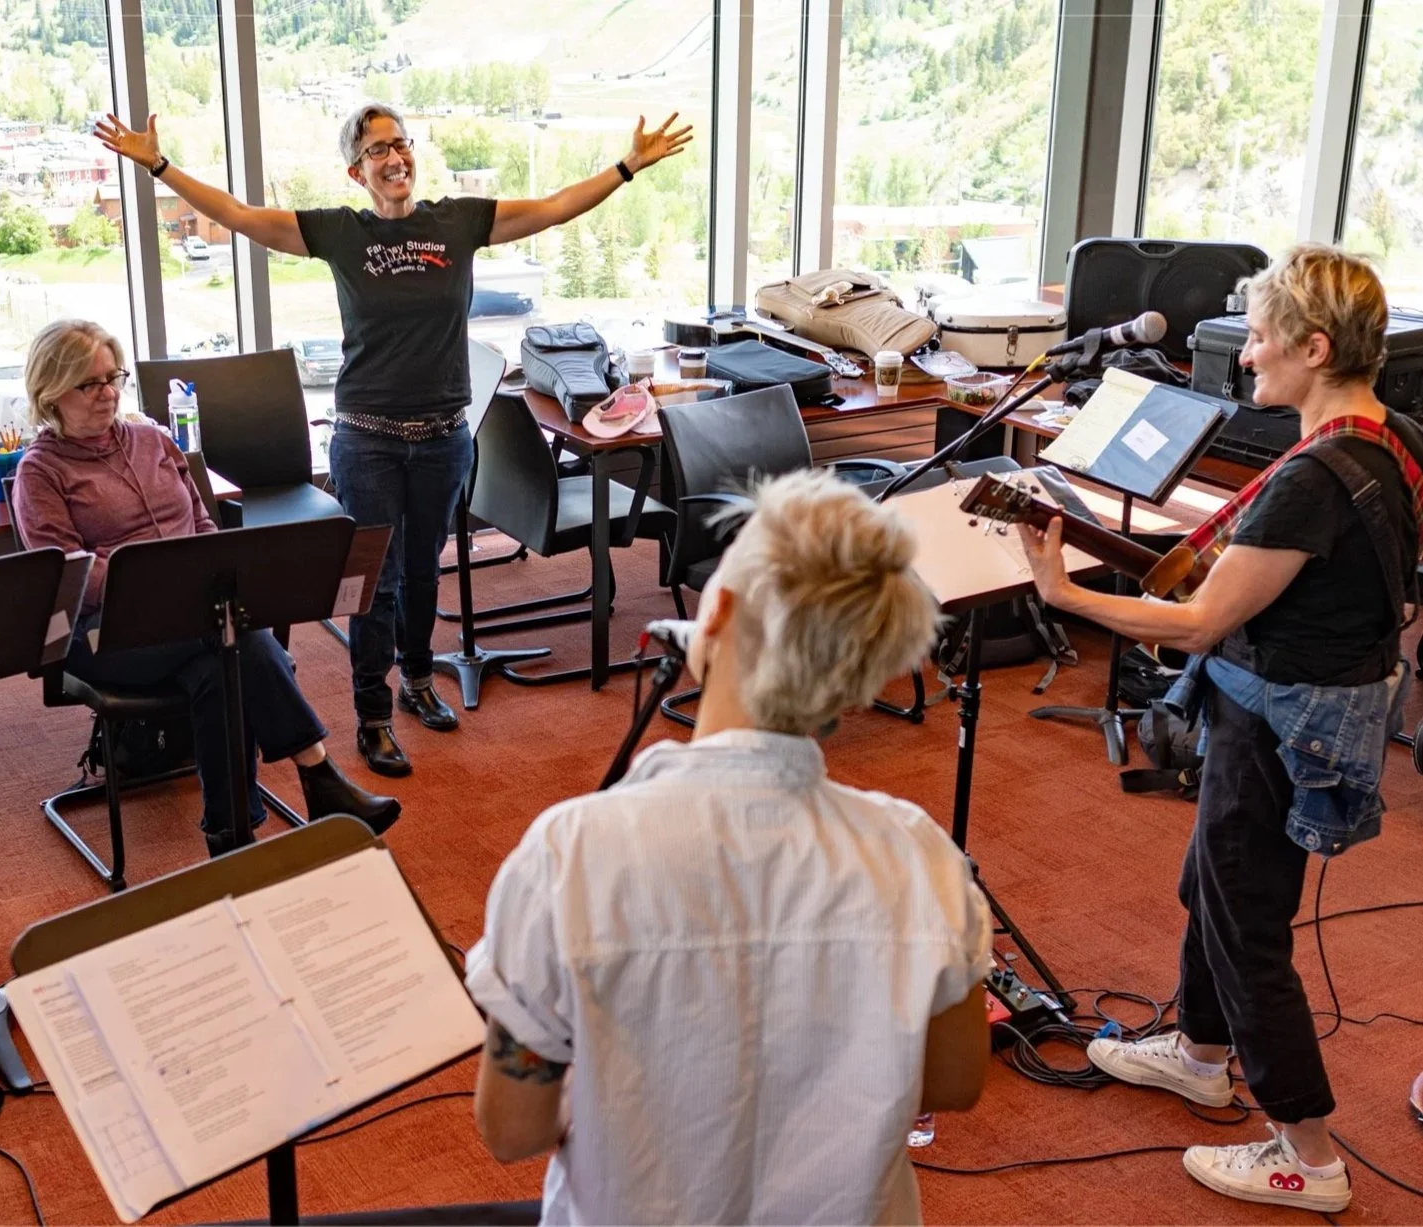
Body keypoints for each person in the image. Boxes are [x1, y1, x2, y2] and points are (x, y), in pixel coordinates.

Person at [95, 102, 693, 778]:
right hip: (366, 439)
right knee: (373, 582)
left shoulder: (457, 221)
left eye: (401, 144)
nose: (395, 157)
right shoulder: (339, 233)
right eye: (378, 149)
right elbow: (238, 217)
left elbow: (553, 207)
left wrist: (626, 166)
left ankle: (416, 679)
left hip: (442, 436)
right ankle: (372, 715)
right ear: (357, 170)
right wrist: (158, 165)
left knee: (421, 570)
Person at [463, 470, 991, 1225]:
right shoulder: (920, 854)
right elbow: (951, 1082)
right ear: (856, 677)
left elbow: (511, 1129)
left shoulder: (571, 849)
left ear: (717, 617)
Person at [1017, 245, 1423, 1214]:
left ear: (1312, 347)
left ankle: (1306, 1154)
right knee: (1210, 880)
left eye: (1256, 339)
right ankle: (1199, 1054)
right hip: (1310, 704)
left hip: (1279, 718)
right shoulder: (1393, 433)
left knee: (1245, 926)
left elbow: (1198, 622)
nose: (1244, 358)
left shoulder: (1306, 482)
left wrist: (1060, 589)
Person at [10, 319, 401, 858]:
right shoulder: (40, 473)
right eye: (89, 383)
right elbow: (70, 575)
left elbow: (204, 526)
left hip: (196, 619)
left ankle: (232, 837)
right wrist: (157, 581)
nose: (108, 393)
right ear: (50, 391)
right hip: (104, 634)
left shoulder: (151, 438)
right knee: (230, 636)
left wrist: (203, 573)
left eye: (112, 377)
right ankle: (319, 775)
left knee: (221, 662)